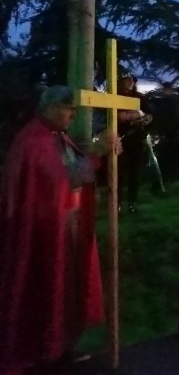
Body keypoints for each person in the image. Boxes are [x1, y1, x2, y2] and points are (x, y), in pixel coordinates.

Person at [0, 86, 120, 373]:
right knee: (44, 286)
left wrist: (100, 153)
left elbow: (73, 170)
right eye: (69, 109)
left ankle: (60, 345)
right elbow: (59, 182)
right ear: (51, 108)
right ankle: (41, 350)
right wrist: (96, 153)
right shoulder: (33, 142)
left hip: (66, 228)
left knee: (65, 288)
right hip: (43, 233)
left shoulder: (57, 137)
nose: (73, 115)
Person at [116, 73, 154, 212]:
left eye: (132, 80)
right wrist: (128, 119)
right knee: (118, 172)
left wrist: (145, 121)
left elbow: (149, 115)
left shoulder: (139, 98)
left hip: (136, 140)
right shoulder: (115, 97)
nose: (130, 82)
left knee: (134, 172)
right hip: (120, 139)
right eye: (127, 80)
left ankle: (132, 202)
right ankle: (117, 203)